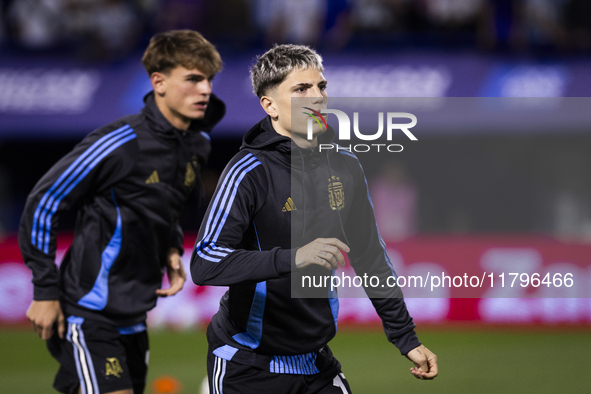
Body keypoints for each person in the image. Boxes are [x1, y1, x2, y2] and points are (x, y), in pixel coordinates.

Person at [190, 44, 437, 394]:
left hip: (316, 365)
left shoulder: (346, 165)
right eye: (300, 89)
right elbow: (205, 261)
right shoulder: (248, 171)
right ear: (270, 105)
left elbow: (370, 257)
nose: (317, 97)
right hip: (247, 368)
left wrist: (405, 336)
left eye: (321, 86)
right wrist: (294, 257)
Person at [19, 30, 225, 394]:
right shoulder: (119, 142)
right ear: (158, 82)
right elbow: (44, 201)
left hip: (134, 312)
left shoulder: (198, 145)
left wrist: (173, 249)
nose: (205, 89)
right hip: (88, 311)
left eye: (208, 79)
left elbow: (166, 204)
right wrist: (44, 291)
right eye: (193, 79)